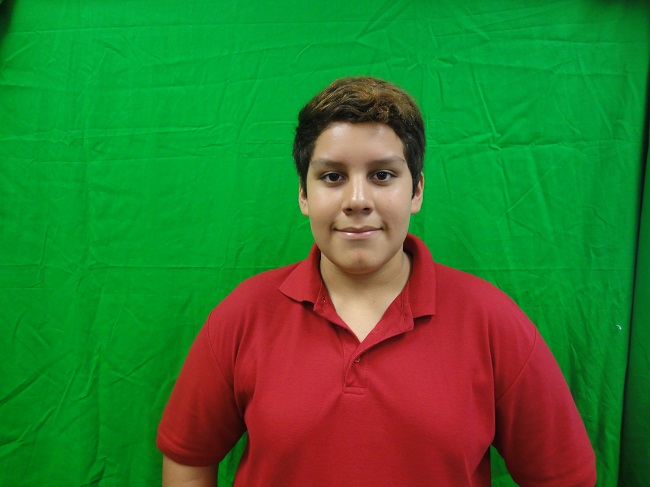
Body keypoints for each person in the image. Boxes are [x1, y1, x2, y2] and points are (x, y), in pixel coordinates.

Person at [157, 77, 597, 486]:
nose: (357, 200)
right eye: (332, 177)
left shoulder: (492, 321)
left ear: (417, 190)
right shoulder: (243, 315)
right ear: (304, 194)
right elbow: (189, 456)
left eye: (382, 175)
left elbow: (562, 476)